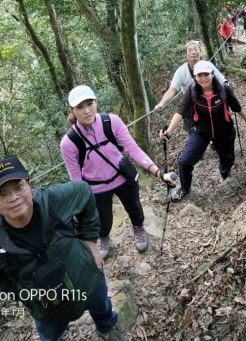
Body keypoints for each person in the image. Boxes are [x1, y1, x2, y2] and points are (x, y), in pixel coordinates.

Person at [0, 156, 126, 341]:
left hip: (87, 277)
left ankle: (107, 326)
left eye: (18, 187)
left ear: (29, 184)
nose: (13, 198)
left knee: (102, 306)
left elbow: (84, 192)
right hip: (45, 305)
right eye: (3, 194)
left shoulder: (52, 201)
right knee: (50, 333)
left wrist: (90, 241)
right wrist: (21, 291)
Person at [61, 85, 176, 260]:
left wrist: (159, 173)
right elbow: (75, 178)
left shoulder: (112, 122)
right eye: (80, 107)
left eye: (89, 104)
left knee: (135, 208)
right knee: (103, 220)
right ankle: (104, 237)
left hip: (123, 177)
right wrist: (81, 205)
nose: (86, 111)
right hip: (96, 188)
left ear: (96, 102)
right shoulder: (69, 142)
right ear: (72, 110)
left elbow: (133, 149)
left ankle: (138, 229)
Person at [159, 60, 246, 201]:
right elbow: (181, 110)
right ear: (195, 77)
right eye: (199, 75)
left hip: (224, 131)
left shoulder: (223, 89)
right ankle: (184, 188)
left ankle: (225, 174)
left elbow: (236, 106)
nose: (203, 78)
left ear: (212, 74)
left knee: (227, 158)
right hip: (201, 132)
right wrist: (169, 131)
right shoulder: (192, 91)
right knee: (185, 161)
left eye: (206, 74)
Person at [154, 40, 226, 112]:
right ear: (186, 55)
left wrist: (228, 85)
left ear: (200, 52)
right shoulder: (181, 71)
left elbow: (222, 81)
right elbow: (172, 89)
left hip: (212, 102)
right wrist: (161, 103)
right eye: (190, 50)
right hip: (191, 105)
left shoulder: (209, 65)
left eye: (195, 49)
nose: (193, 52)